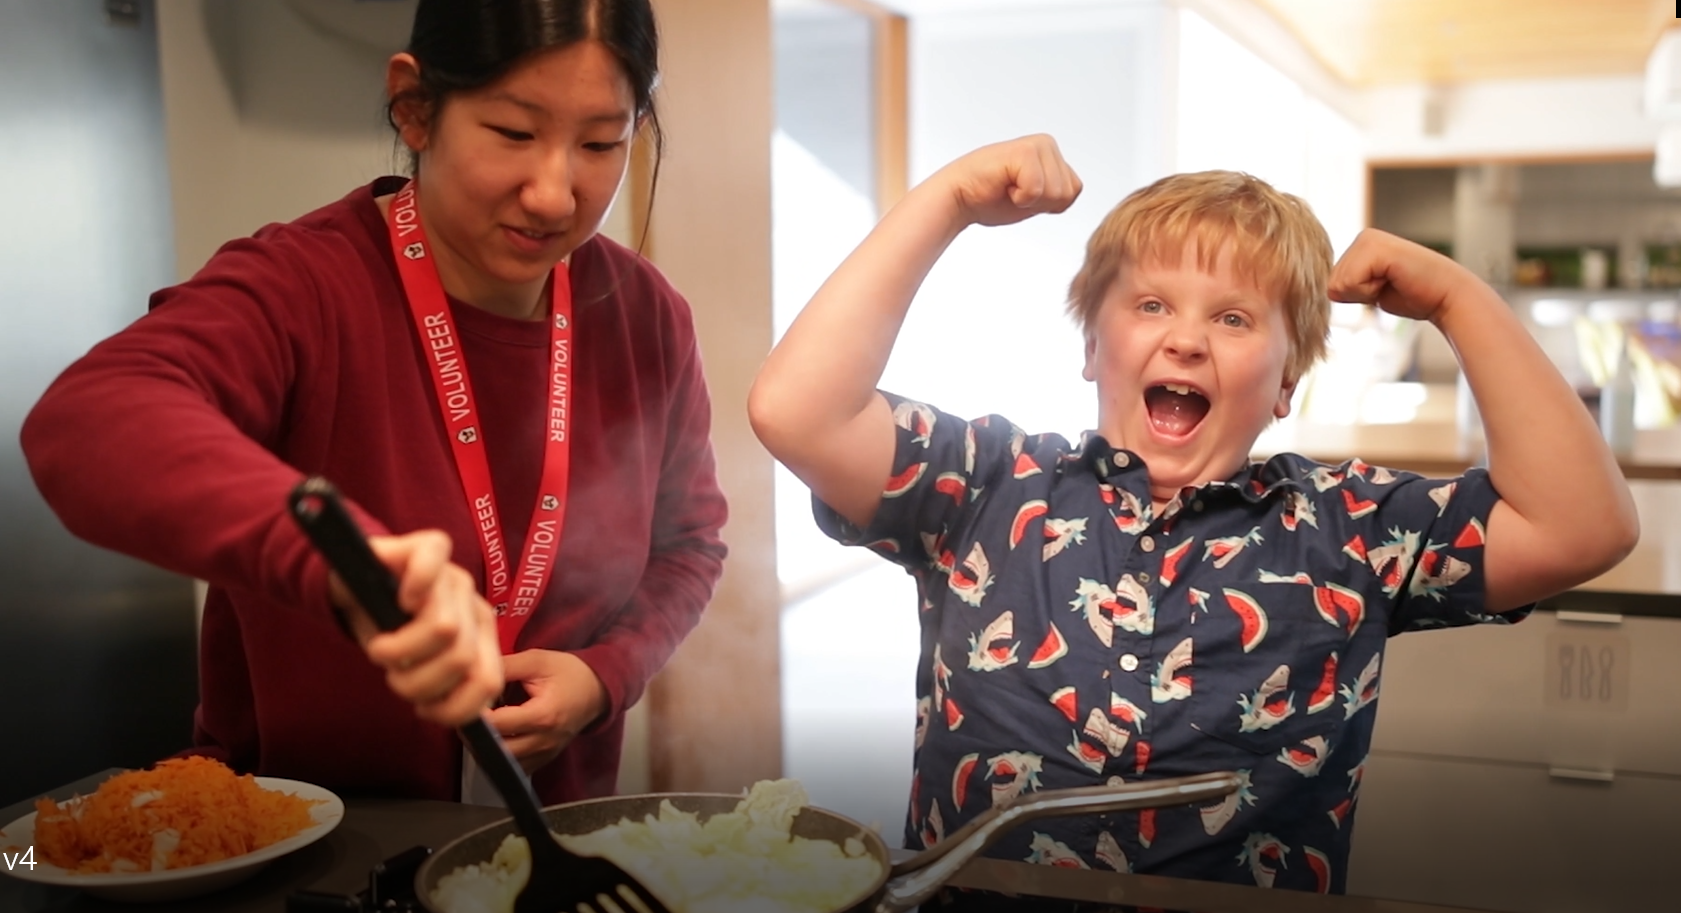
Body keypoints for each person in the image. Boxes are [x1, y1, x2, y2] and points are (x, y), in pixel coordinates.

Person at [748, 135, 1637, 905]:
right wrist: (946, 200)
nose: (1185, 339)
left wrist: (1457, 299)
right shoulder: (986, 483)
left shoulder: (1351, 527)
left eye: (1234, 318)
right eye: (1149, 305)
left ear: (1287, 383)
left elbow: (1580, 526)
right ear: (1091, 347)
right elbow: (797, 409)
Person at [20, 0, 727, 807]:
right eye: (513, 133)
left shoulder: (643, 314)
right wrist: (337, 558)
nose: (553, 193)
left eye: (602, 143)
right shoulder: (303, 286)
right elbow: (90, 421)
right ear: (415, 106)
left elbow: (689, 544)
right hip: (304, 839)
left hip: (546, 839)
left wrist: (607, 675)